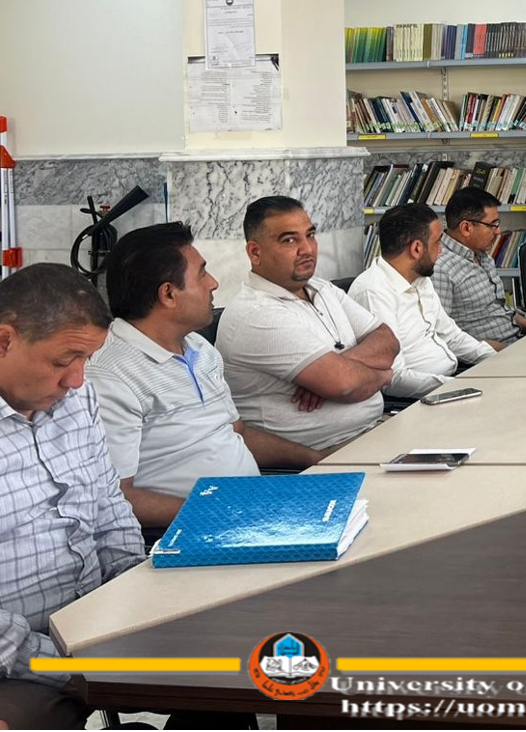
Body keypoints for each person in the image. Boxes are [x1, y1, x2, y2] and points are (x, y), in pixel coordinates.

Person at [89, 223, 323, 532]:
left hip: (250, 512)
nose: (213, 283)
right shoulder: (111, 376)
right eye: (202, 274)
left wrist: (318, 459)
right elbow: (116, 496)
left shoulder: (199, 348)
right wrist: (224, 512)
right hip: (194, 529)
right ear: (168, 294)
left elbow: (236, 432)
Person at [0, 264, 144, 728]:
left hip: (93, 624)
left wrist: (141, 599)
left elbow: (109, 507)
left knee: (227, 667)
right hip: (17, 662)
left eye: (87, 360)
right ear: (4, 341)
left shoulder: (77, 399)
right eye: (64, 361)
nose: (77, 380)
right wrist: (69, 666)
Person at [218, 195, 400, 451]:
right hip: (324, 456)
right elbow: (345, 385)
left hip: (376, 430)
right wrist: (382, 375)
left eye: (310, 235)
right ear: (255, 252)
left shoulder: (322, 288)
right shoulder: (256, 314)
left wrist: (338, 368)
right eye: (289, 240)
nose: (307, 249)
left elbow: (388, 341)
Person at [351, 202, 499, 399]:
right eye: (437, 243)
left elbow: (452, 336)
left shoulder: (420, 278)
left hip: (449, 380)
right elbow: (394, 378)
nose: (441, 251)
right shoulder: (373, 292)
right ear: (416, 249)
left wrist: (497, 362)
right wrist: (458, 386)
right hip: (416, 398)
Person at [433, 186, 526, 344]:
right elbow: (441, 336)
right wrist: (500, 350)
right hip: (489, 353)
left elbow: (501, 313)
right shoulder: (440, 268)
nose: (498, 231)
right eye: (492, 225)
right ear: (466, 228)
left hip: (515, 341)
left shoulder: (483, 256)